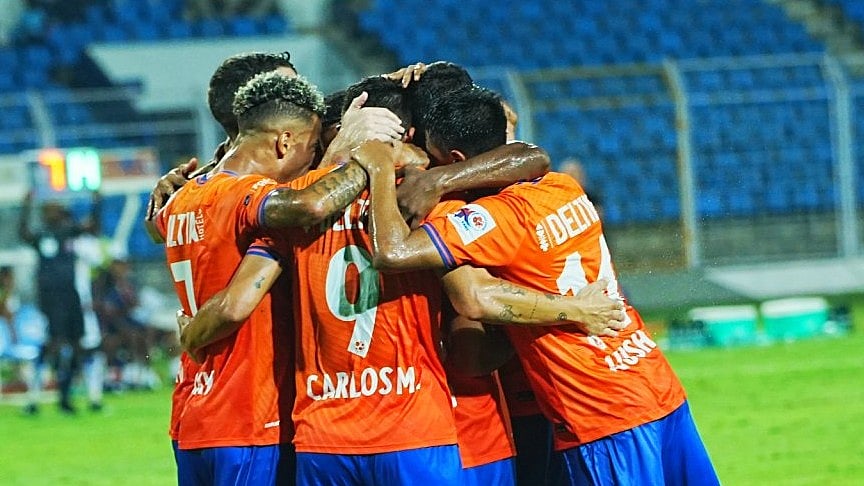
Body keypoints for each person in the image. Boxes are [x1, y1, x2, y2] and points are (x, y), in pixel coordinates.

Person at [355, 86, 720, 485]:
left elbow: (432, 275)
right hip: (653, 382)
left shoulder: (494, 218)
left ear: (454, 160)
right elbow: (529, 156)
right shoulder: (563, 186)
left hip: (599, 410)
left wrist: (389, 171)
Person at [153, 71, 383, 486]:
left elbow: (156, 225)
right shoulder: (248, 197)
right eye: (311, 149)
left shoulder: (181, 199)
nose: (311, 161)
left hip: (195, 412)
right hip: (249, 416)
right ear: (284, 142)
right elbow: (309, 205)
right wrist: (367, 161)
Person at [18, 191, 101, 414]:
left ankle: (66, 397)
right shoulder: (41, 235)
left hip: (70, 296)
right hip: (50, 299)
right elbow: (23, 234)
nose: (53, 212)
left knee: (77, 345)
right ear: (44, 213)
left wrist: (96, 203)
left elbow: (93, 227)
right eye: (49, 209)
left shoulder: (68, 231)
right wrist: (25, 208)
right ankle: (34, 398)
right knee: (52, 345)